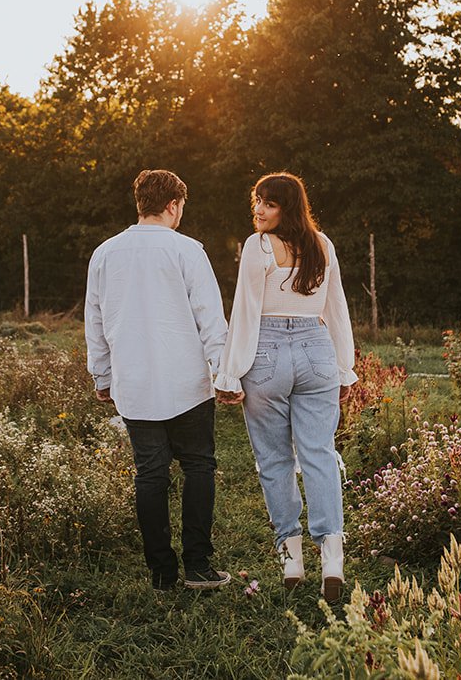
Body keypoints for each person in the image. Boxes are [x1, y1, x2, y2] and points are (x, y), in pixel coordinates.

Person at [85, 168, 233, 591]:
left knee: (150, 474)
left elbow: (94, 321)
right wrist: (223, 371)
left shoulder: (105, 253)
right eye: (181, 206)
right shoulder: (187, 250)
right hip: (187, 381)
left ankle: (162, 575)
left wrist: (102, 374)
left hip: (134, 382)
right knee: (198, 466)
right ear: (173, 205)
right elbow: (210, 318)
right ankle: (199, 567)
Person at [214, 172, 358, 602]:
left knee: (274, 459)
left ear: (287, 208)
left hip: (268, 351)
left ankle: (291, 558)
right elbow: (337, 311)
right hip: (317, 352)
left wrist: (229, 373)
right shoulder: (323, 244)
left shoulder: (258, 247)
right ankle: (332, 558)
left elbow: (245, 312)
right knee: (319, 453)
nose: (258, 209)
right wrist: (344, 369)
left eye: (269, 203)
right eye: (257, 200)